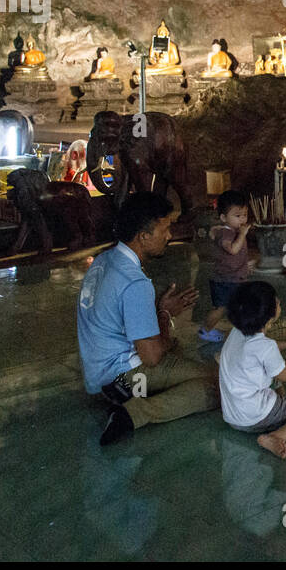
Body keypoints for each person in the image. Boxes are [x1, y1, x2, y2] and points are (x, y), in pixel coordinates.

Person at [77, 191, 218, 445]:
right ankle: (134, 413)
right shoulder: (135, 282)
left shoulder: (103, 260)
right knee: (220, 384)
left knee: (179, 352)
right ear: (143, 236)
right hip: (123, 374)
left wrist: (159, 314)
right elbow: (151, 357)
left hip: (96, 371)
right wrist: (164, 315)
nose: (169, 236)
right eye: (164, 229)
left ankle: (131, 398)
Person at [218, 281, 286, 459]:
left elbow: (266, 349)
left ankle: (281, 413)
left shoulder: (237, 332)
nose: (279, 303)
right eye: (277, 302)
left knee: (272, 378)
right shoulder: (265, 346)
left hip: (232, 416)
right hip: (255, 416)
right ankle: (274, 436)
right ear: (270, 316)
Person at [198, 189, 251, 343]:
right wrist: (242, 234)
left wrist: (246, 265)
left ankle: (243, 332)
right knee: (221, 308)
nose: (242, 220)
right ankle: (205, 330)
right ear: (223, 217)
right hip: (225, 280)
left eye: (245, 215)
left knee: (237, 305)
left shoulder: (232, 230)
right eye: (237, 216)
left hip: (234, 277)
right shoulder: (226, 233)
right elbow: (233, 250)